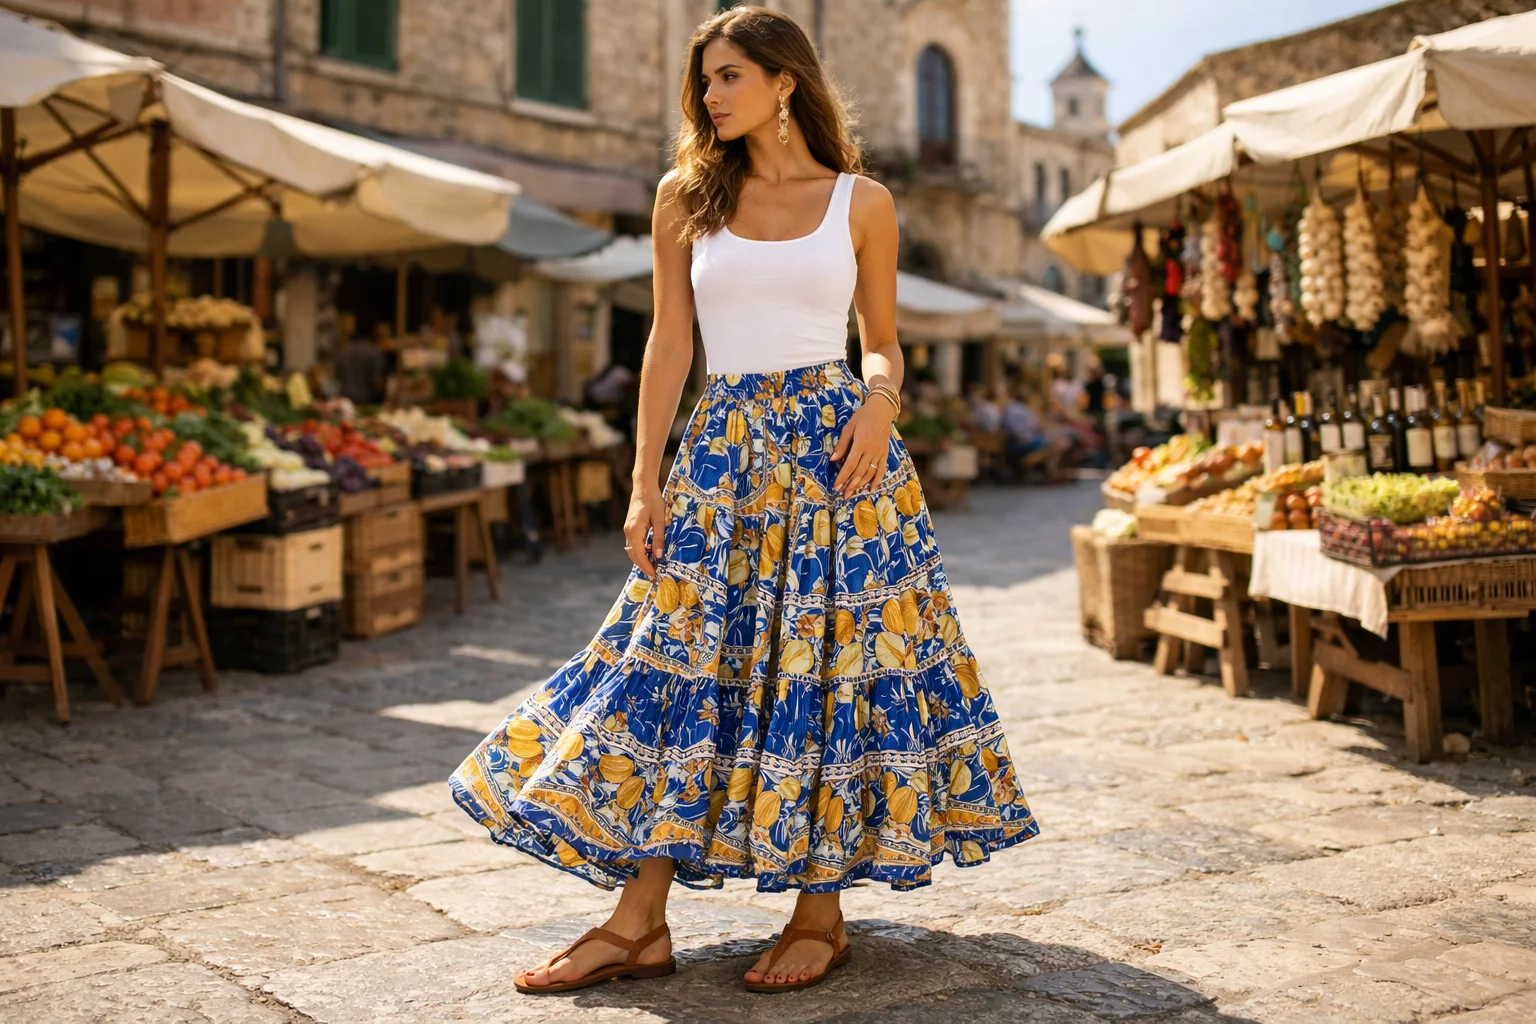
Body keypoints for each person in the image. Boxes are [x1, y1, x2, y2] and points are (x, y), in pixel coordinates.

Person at [449, 6, 1038, 997]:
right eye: (705, 82)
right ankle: (638, 921)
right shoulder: (686, 197)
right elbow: (668, 344)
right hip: (721, 458)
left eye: (727, 77)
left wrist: (881, 405)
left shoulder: (863, 200)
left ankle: (820, 911)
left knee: (828, 674)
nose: (710, 97)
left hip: (840, 459)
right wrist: (645, 478)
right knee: (675, 667)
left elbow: (882, 338)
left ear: (783, 83)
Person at [335, 328, 385, 406]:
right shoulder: (373, 351)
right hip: (368, 401)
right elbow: (378, 381)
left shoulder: (344, 351)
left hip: (346, 400)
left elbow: (337, 375)